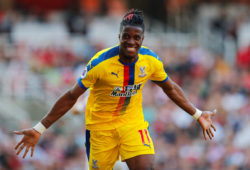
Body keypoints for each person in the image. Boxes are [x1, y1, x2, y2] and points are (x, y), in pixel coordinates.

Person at [14, 9, 216, 170]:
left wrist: (197, 114)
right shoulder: (100, 64)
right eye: (126, 36)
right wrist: (40, 128)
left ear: (142, 39)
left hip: (131, 124)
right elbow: (70, 96)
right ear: (119, 36)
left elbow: (170, 88)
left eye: (136, 37)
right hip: (100, 129)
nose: (131, 41)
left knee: (146, 166)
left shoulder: (151, 61)